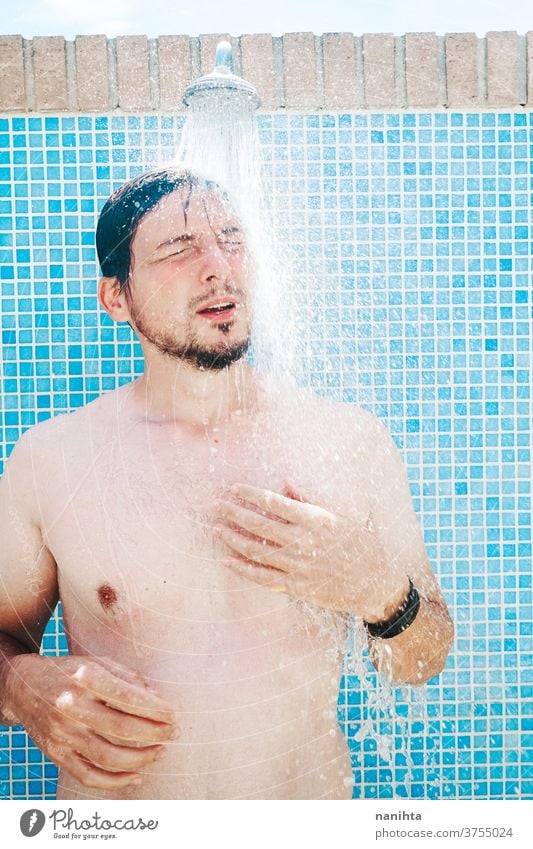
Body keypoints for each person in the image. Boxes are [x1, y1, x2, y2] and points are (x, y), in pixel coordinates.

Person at [0, 167, 453, 800]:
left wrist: (380, 591)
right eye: (180, 249)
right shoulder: (52, 460)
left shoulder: (349, 443)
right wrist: (21, 686)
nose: (219, 266)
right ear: (116, 297)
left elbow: (424, 659)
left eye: (232, 239)